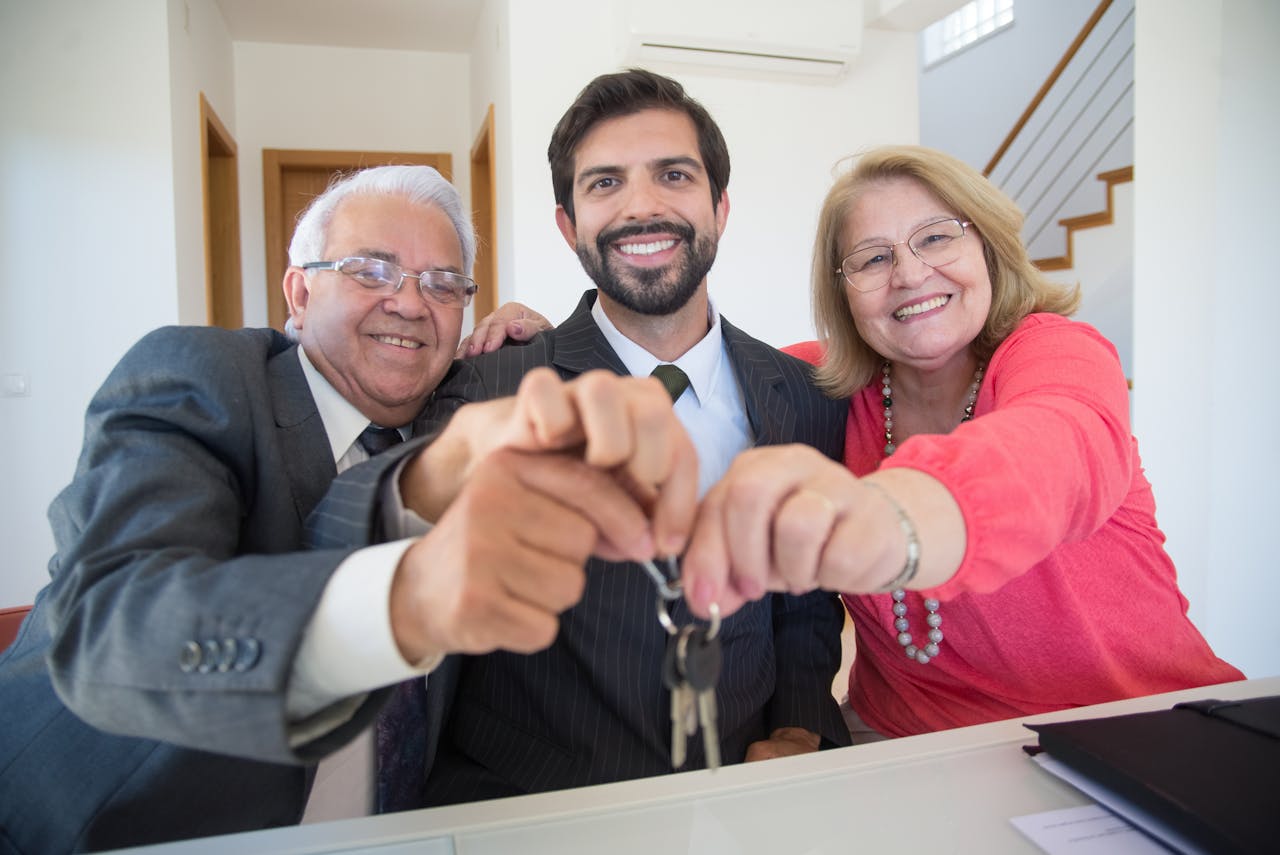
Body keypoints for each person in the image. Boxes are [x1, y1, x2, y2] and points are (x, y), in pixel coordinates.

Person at [0, 164, 696, 852]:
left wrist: (524, 332)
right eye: (371, 270)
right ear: (299, 291)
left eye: (443, 284)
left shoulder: (458, 409)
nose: (410, 302)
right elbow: (111, 626)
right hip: (97, 827)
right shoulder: (200, 379)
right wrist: (402, 597)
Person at [309, 68, 851, 812]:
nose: (642, 206)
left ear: (719, 206)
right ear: (568, 225)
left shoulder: (805, 396)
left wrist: (798, 725)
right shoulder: (487, 387)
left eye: (673, 174)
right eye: (604, 184)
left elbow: (807, 602)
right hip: (526, 809)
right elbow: (376, 545)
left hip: (746, 803)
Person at [681, 144, 1243, 741]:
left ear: (988, 246)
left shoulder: (1057, 352)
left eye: (937, 237)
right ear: (842, 291)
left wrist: (889, 516)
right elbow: (695, 378)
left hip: (1136, 728)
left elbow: (1058, 449)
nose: (910, 273)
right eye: (873, 259)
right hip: (903, 739)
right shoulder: (819, 387)